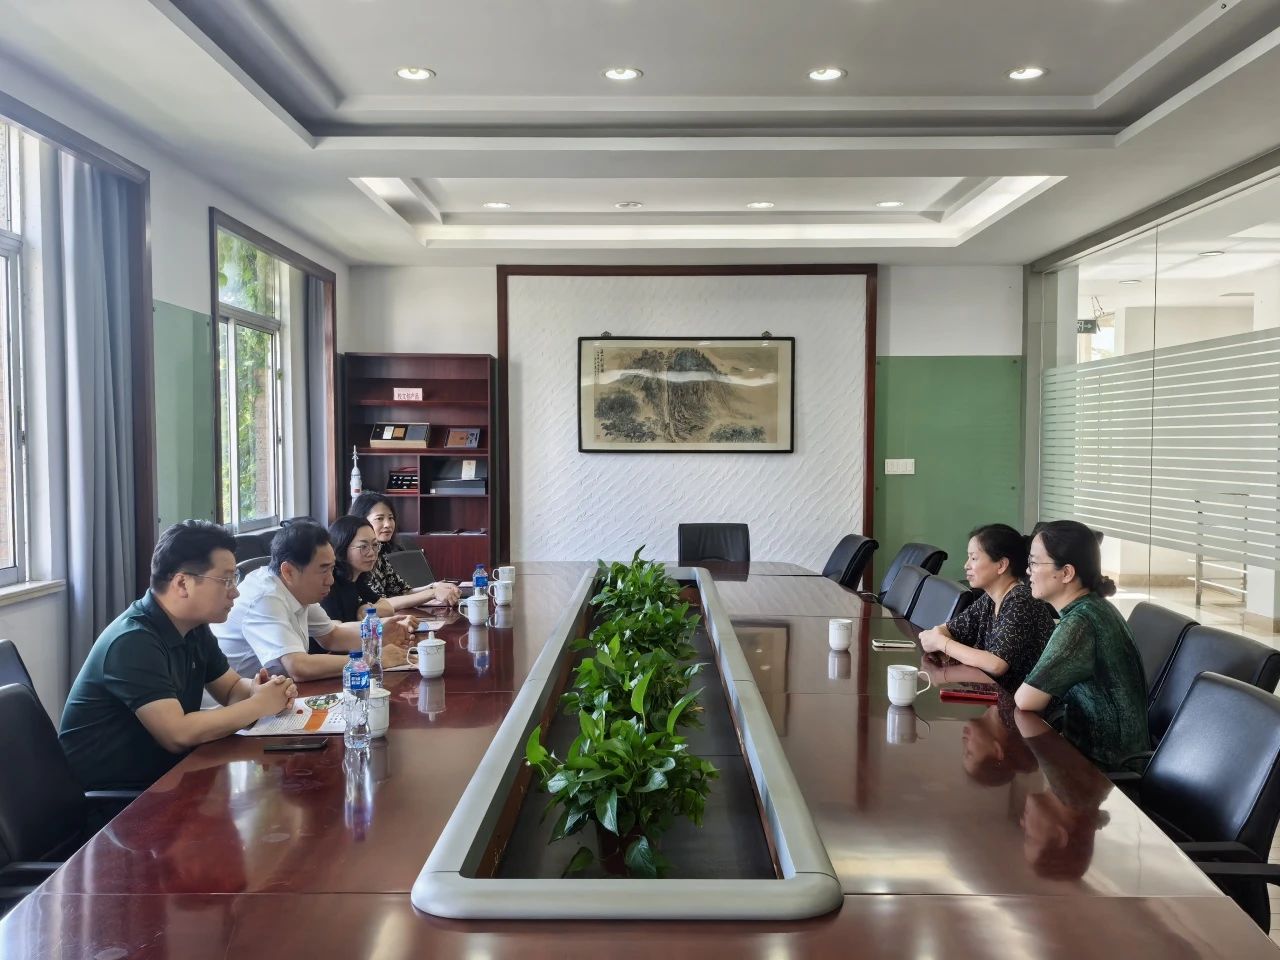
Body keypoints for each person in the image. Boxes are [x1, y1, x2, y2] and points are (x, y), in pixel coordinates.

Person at [59, 521, 298, 790]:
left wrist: (261, 689)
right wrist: (259, 705)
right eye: (226, 580)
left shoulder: (193, 627)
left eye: (235, 578)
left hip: (169, 777)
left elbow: (230, 687)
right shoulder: (133, 641)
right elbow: (177, 734)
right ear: (183, 583)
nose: (235, 591)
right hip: (119, 799)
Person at [1014, 520, 1150, 770]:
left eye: (1034, 563)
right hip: (1093, 754)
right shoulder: (1095, 607)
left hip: (1103, 769)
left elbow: (1026, 700)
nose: (1028, 571)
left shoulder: (1080, 624)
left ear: (1067, 573)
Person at [213, 520, 409, 681]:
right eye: (323, 570)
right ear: (288, 571)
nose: (331, 580)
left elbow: (332, 636)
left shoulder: (296, 588)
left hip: (275, 692)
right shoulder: (265, 597)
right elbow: (298, 666)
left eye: (332, 569)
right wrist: (372, 659)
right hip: (239, 704)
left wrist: (378, 632)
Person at [918, 524, 1056, 691]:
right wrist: (938, 636)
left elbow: (996, 664)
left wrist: (941, 645)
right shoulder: (990, 599)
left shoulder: (1021, 600)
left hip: (1027, 703)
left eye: (974, 558)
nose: (966, 565)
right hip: (1000, 694)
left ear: (1001, 565)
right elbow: (949, 630)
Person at [349, 491, 459, 607]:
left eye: (391, 518)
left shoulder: (380, 554)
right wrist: (432, 593)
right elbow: (377, 604)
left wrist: (434, 587)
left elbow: (402, 592)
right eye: (379, 518)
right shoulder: (358, 558)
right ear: (361, 521)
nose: (388, 524)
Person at [322, 515, 426, 625]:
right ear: (342, 547)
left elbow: (388, 609)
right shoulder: (328, 585)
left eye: (375, 545)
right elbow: (336, 631)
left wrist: (368, 609)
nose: (372, 553)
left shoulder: (356, 579)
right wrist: (388, 624)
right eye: (363, 547)